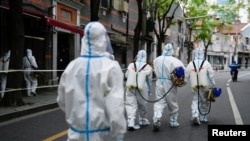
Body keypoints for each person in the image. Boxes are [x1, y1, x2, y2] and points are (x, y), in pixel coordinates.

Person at [57, 22, 126, 141]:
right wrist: (118, 131)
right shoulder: (111, 67)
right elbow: (115, 105)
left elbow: (62, 100)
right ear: (103, 39)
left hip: (75, 134)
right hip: (101, 135)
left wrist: (77, 117)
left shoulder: (72, 67)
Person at [152, 43, 186, 131]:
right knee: (172, 102)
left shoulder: (156, 59)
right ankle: (173, 121)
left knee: (159, 101)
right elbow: (182, 73)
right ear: (171, 50)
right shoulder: (175, 61)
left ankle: (156, 117)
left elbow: (154, 69)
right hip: (169, 82)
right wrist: (184, 82)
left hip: (159, 81)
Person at [186, 47, 215, 125]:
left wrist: (185, 82)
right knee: (205, 100)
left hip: (194, 84)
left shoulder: (191, 63)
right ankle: (204, 117)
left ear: (195, 54)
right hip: (204, 84)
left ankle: (195, 114)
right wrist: (212, 84)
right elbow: (211, 75)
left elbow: (186, 74)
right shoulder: (206, 63)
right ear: (202, 54)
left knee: (195, 99)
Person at [125, 50, 153, 131]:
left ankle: (131, 122)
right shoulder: (147, 67)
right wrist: (150, 90)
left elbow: (127, 75)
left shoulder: (131, 65)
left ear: (137, 56)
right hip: (142, 86)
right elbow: (149, 80)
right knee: (142, 104)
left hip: (130, 85)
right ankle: (143, 120)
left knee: (130, 104)